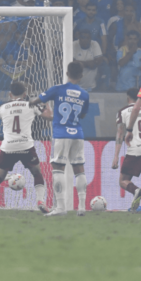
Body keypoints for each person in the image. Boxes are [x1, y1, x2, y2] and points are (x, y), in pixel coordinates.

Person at [0, 81, 53, 213]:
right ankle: (40, 201)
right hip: (26, 146)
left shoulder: (2, 107)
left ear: (10, 94)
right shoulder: (31, 105)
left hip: (8, 147)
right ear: (25, 94)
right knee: (37, 173)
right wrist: (47, 104)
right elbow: (50, 117)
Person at [29, 61, 90, 216]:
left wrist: (30, 103)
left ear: (67, 73)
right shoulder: (84, 94)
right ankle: (82, 207)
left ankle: (61, 207)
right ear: (81, 76)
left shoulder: (58, 89)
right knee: (79, 169)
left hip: (61, 134)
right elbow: (82, 115)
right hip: (77, 134)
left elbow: (36, 101)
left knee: (58, 168)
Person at [112, 88, 141, 212]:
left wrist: (115, 156)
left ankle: (136, 190)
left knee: (123, 180)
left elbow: (120, 134)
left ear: (127, 98)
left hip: (135, 149)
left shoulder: (122, 112)